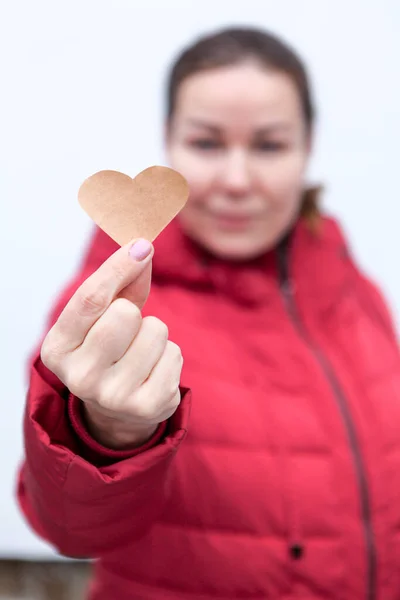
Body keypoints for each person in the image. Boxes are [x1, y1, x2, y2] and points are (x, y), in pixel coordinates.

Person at [17, 25, 400, 600]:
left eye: (269, 145)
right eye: (207, 144)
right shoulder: (108, 312)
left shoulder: (352, 285)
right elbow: (70, 528)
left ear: (308, 147)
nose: (237, 180)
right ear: (167, 141)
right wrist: (108, 433)